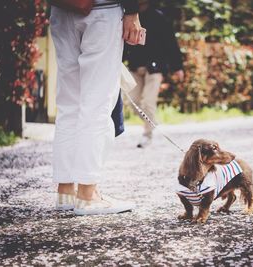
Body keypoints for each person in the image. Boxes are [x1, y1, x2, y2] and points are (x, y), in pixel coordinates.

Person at [51, 0, 142, 215]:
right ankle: (87, 194)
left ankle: (65, 191)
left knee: (68, 104)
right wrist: (132, 10)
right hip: (103, 9)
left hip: (62, 8)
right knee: (97, 103)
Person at [123, 0, 184, 148]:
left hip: (155, 67)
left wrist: (178, 67)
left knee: (148, 103)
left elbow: (170, 43)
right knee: (133, 102)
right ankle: (152, 122)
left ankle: (147, 135)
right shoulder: (126, 15)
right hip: (135, 65)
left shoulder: (159, 17)